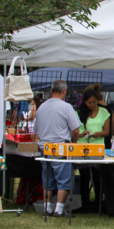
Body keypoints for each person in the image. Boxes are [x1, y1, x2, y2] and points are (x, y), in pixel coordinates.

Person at [35, 79, 81, 218]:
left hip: (44, 147)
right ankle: (59, 210)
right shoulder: (65, 107)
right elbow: (75, 130)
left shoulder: (41, 107)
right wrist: (73, 144)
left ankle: (47, 208)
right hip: (61, 147)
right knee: (63, 180)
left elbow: (37, 129)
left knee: (47, 179)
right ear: (64, 91)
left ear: (51, 90)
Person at [78, 89, 112, 204]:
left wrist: (98, 134)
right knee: (84, 176)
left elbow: (107, 131)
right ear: (85, 102)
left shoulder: (104, 112)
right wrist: (82, 133)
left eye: (94, 102)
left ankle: (98, 201)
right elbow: (77, 130)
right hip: (83, 146)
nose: (92, 105)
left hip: (97, 147)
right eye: (89, 103)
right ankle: (85, 201)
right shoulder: (81, 112)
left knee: (98, 176)